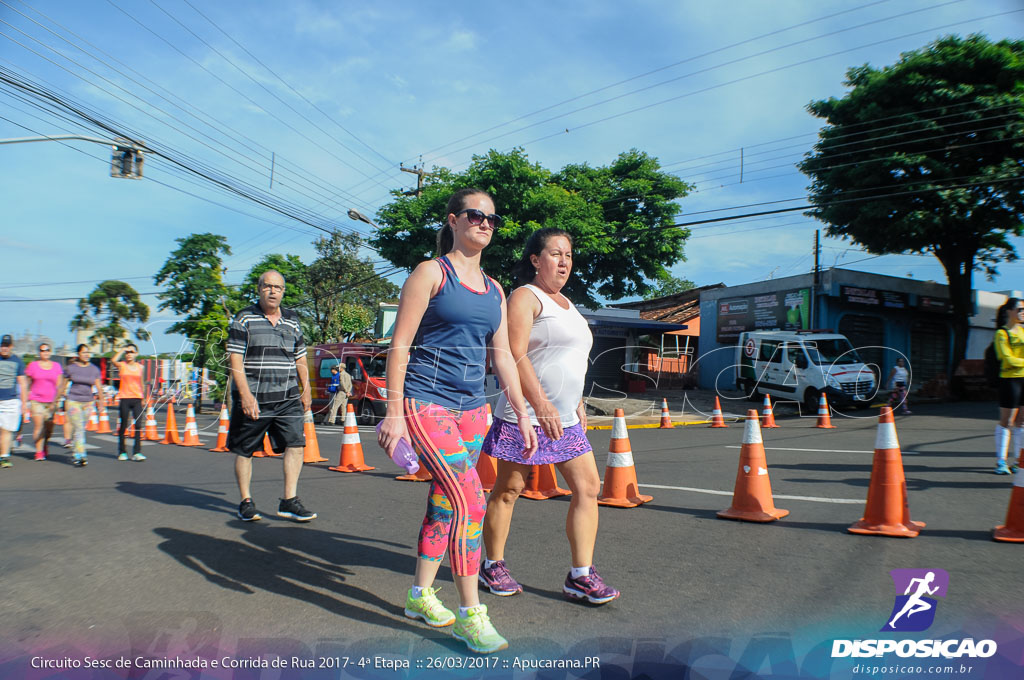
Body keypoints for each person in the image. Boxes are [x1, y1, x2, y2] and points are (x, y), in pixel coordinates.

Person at [377, 188, 538, 655]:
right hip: (427, 402)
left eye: (492, 218)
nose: (484, 223)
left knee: (445, 504)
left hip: (473, 409)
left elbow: (504, 356)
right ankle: (471, 615)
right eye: (475, 215)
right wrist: (393, 412)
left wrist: (521, 412)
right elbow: (400, 345)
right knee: (470, 501)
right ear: (453, 220)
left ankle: (419, 595)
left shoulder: (494, 290)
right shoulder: (431, 273)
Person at [478, 227, 620, 605]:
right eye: (555, 254)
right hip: (523, 414)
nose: (564, 262)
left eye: (569, 255)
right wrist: (539, 404)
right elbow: (515, 353)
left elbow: (569, 360)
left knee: (588, 488)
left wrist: (576, 402)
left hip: (565, 419)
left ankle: (581, 575)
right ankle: (492, 565)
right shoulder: (525, 297)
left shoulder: (569, 305)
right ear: (535, 260)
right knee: (509, 490)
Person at [226, 269, 316, 523]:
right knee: (245, 450)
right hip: (255, 396)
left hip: (287, 396)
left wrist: (305, 389)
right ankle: (246, 501)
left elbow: (299, 357)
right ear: (259, 289)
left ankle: (289, 500)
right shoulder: (244, 319)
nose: (273, 291)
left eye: (278, 287)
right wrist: (245, 395)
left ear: (283, 291)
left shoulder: (293, 320)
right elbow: (235, 360)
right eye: (267, 286)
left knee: (296, 445)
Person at [58, 344, 104, 467]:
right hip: (73, 401)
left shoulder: (94, 369)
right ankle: (81, 455)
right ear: (78, 354)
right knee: (78, 428)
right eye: (84, 352)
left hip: (88, 402)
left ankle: (76, 451)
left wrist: (101, 402)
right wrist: (56, 400)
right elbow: (63, 385)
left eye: (88, 352)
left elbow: (99, 387)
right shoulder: (71, 368)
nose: (86, 355)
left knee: (80, 429)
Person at [993, 298, 1024, 475]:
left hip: (1023, 379)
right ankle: (1001, 462)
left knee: (1022, 422)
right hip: (1009, 380)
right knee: (1007, 422)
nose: (1023, 312)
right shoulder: (1001, 333)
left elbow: (1015, 360)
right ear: (1010, 311)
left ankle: (1018, 461)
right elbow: (1007, 359)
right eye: (1020, 309)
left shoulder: (1023, 332)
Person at [24, 342, 64, 461]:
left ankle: (45, 443)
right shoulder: (33, 365)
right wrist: (26, 397)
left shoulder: (56, 366)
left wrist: (55, 402)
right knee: (39, 425)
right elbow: (27, 382)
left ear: (50, 352)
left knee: (49, 428)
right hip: (36, 400)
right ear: (39, 353)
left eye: (47, 350)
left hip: (51, 402)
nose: (45, 352)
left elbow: (60, 385)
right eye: (42, 350)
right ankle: (39, 451)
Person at [111, 343, 146, 461]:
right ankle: (122, 452)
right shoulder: (122, 365)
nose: (129, 354)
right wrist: (122, 349)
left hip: (137, 398)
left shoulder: (140, 367)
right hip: (124, 398)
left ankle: (137, 452)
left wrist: (143, 398)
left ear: (136, 354)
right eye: (127, 352)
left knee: (138, 425)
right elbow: (113, 360)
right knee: (123, 425)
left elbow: (142, 383)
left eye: (131, 352)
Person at [0, 334, 28, 468]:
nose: (4, 348)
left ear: (11, 346)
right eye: (2, 345)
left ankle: (4, 457)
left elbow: (22, 383)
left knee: (6, 429)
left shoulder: (17, 361)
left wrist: (24, 404)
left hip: (10, 400)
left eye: (7, 346)